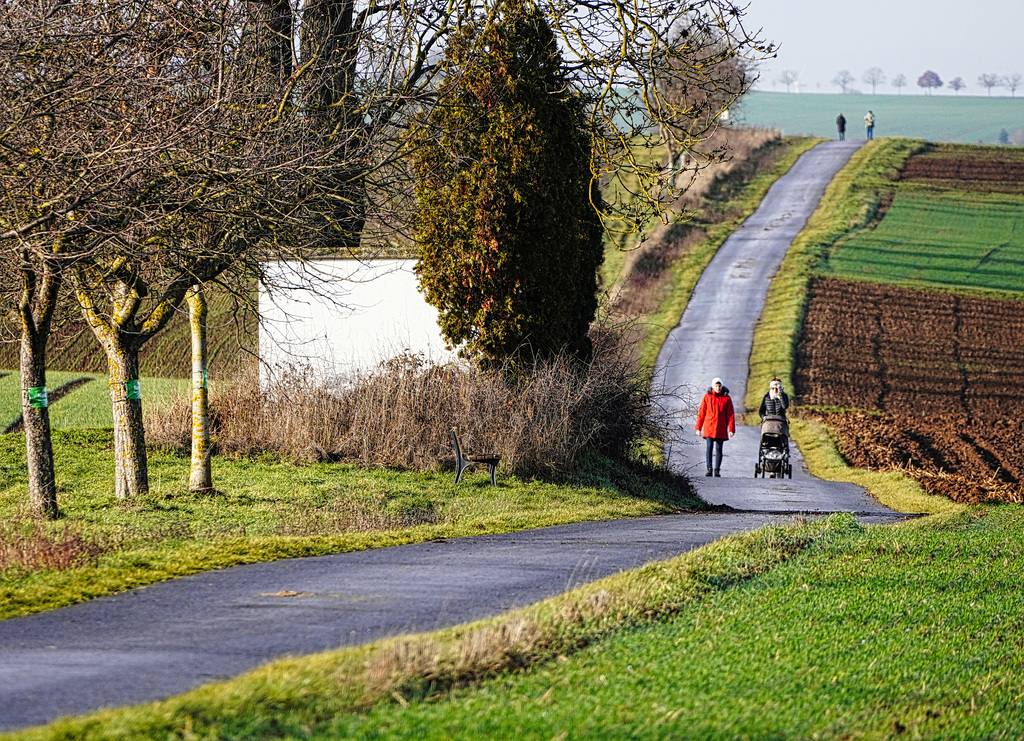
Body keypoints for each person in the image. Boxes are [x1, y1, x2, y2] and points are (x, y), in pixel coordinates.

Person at [695, 377, 735, 477]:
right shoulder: (707, 397)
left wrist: (731, 429)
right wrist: (698, 427)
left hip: (721, 428)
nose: (718, 388)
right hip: (709, 427)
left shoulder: (727, 398)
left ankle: (717, 470)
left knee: (719, 449)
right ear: (713, 387)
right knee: (709, 447)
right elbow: (702, 412)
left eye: (719, 386)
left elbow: (730, 415)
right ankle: (709, 468)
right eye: (716, 386)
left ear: (722, 386)